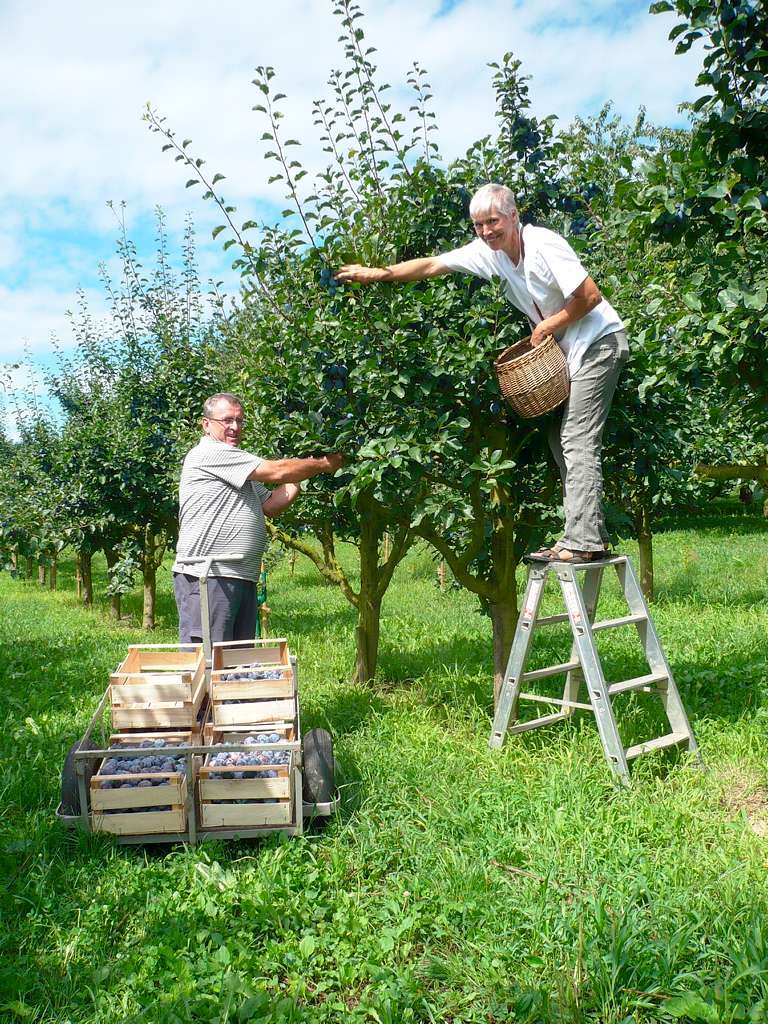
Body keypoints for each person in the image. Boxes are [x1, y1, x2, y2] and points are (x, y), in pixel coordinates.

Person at [336, 182, 629, 564]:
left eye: (493, 221)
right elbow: (432, 265)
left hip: (600, 342)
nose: (487, 231)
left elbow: (589, 297)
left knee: (576, 439)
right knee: (562, 440)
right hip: (573, 350)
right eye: (478, 224)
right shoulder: (488, 254)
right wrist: (378, 274)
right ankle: (590, 534)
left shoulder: (543, 245)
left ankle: (583, 541)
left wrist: (548, 326)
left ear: (513, 215)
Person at [172, 392, 344, 643]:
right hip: (209, 575)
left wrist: (299, 473)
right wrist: (323, 464)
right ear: (206, 424)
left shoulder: (239, 466)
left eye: (240, 421)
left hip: (240, 575)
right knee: (208, 662)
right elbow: (276, 471)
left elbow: (272, 504)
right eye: (227, 420)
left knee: (237, 662)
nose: (234, 427)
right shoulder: (210, 453)